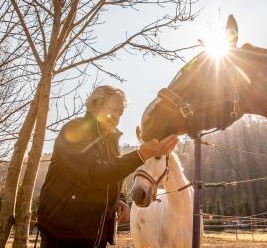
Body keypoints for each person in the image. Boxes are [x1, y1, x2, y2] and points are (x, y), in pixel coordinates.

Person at [38, 85, 178, 248]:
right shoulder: (75, 130)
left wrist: (119, 200)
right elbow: (95, 173)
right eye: (114, 110)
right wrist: (140, 155)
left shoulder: (111, 142)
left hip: (97, 235)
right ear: (95, 105)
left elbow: (113, 175)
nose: (117, 117)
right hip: (64, 234)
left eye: (120, 113)